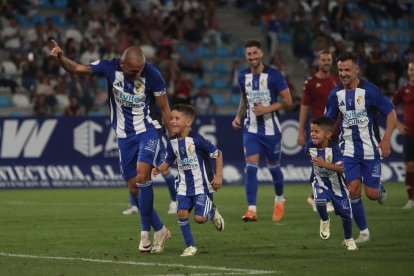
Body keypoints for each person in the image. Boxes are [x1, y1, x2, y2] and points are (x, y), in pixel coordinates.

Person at [49, 40, 172, 253]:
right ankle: (160, 229)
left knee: (143, 176)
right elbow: (78, 68)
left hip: (148, 131)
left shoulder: (153, 75)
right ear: (122, 65)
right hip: (124, 137)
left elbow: (165, 110)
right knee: (134, 187)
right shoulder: (109, 66)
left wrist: (175, 140)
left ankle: (144, 233)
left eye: (141, 68)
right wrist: (61, 58)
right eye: (134, 70)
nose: (139, 73)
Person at [325, 52, 397, 243]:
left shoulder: (370, 91)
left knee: (372, 195)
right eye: (340, 70)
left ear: (356, 69)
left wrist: (387, 139)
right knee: (353, 189)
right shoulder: (335, 94)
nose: (343, 73)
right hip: (348, 150)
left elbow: (391, 113)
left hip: (370, 149)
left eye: (347, 69)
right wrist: (324, 135)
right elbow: (329, 120)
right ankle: (364, 232)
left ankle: (378, 188)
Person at [232, 40, 292, 222]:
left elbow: (288, 101)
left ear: (261, 54)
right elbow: (244, 98)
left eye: (255, 53)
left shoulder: (274, 75)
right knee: (250, 168)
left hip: (271, 129)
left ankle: (280, 200)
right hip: (251, 130)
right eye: (249, 54)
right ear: (246, 56)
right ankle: (251, 209)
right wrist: (238, 116)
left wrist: (267, 109)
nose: (252, 57)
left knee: (274, 168)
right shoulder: (243, 76)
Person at [153, 104, 224, 256]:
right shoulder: (172, 141)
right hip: (183, 186)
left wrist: (218, 177)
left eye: (177, 118)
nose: (172, 121)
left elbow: (218, 154)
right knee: (182, 213)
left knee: (199, 219)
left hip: (202, 186)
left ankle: (211, 211)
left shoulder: (197, 140)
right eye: (171, 118)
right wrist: (159, 168)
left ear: (188, 122)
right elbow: (169, 159)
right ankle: (190, 246)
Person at [305, 116, 357, 250]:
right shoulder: (309, 146)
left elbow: (342, 168)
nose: (312, 134)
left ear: (328, 134)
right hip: (320, 182)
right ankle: (324, 219)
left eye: (316, 132)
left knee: (346, 215)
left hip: (338, 186)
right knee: (320, 201)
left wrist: (324, 164)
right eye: (311, 131)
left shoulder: (336, 149)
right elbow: (311, 159)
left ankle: (348, 239)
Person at [297, 49, 338, 212]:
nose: (326, 62)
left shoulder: (336, 81)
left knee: (330, 165)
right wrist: (300, 130)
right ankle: (318, 197)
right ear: (318, 62)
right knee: (320, 164)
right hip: (318, 132)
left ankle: (316, 197)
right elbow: (304, 107)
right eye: (323, 60)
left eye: (328, 60)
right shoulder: (311, 83)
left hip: (334, 131)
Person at [392, 61, 414, 209]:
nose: (413, 71)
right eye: (411, 69)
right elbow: (389, 106)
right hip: (410, 133)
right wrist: (397, 124)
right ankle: (411, 199)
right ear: (408, 71)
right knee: (410, 165)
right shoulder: (404, 90)